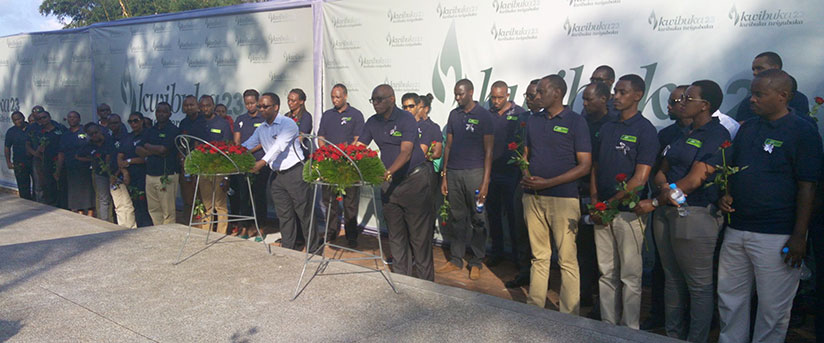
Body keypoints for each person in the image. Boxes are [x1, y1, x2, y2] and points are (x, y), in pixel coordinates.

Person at [717, 69, 823, 343]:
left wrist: (799, 236)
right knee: (731, 301)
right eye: (752, 93)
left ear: (783, 96)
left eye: (759, 94)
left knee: (772, 310)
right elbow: (733, 170)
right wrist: (726, 194)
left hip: (777, 235)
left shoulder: (803, 131)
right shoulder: (748, 127)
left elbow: (808, 186)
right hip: (737, 228)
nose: (752, 100)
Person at [636, 80, 730, 342]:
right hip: (668, 211)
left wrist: (658, 200)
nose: (682, 102)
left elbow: (695, 179)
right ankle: (673, 335)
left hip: (696, 214)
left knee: (699, 286)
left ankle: (696, 338)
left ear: (705, 106)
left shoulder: (716, 135)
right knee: (672, 278)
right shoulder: (680, 134)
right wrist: (667, 190)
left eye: (689, 98)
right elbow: (662, 170)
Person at [590, 74, 659, 329]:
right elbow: (595, 167)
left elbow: (640, 179)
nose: (615, 97)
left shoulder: (646, 130)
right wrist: (596, 201)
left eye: (622, 92)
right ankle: (607, 326)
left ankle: (630, 330)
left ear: (638, 95)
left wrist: (609, 205)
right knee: (606, 272)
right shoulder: (607, 127)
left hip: (628, 214)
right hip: (602, 211)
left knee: (630, 276)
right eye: (615, 92)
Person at [522, 74, 591, 314]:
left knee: (567, 260)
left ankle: (569, 315)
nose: (537, 96)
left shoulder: (576, 122)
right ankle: (535, 309)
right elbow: (525, 155)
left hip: (564, 198)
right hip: (532, 197)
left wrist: (548, 183)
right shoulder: (533, 121)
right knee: (539, 256)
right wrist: (526, 174)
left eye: (541, 92)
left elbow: (585, 165)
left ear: (558, 93)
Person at [358, 84, 435, 280]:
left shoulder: (406, 119)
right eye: (373, 100)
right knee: (396, 237)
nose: (375, 104)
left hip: (414, 182)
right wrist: (338, 162)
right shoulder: (372, 122)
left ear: (392, 99)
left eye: (379, 99)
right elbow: (358, 147)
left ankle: (429, 289)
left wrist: (387, 172)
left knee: (419, 240)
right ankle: (403, 282)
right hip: (390, 185)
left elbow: (406, 152)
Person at [640, 84, 690, 331]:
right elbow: (655, 169)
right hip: (662, 207)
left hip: (693, 212)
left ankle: (692, 321)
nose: (669, 107)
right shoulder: (666, 135)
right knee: (662, 267)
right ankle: (658, 315)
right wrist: (662, 192)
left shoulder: (708, 133)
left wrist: (675, 193)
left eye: (675, 101)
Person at [243, 92, 319, 252]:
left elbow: (279, 146)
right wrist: (230, 152)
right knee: (284, 216)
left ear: (276, 107)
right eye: (260, 106)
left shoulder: (288, 124)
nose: (261, 109)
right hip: (277, 177)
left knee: (305, 214)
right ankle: (288, 249)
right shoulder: (262, 128)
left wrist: (262, 162)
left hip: (295, 173)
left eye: (265, 106)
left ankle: (314, 251)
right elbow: (248, 144)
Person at [436, 79, 494, 280]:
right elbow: (448, 147)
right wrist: (444, 175)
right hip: (453, 173)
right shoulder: (454, 115)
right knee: (457, 217)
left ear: (471, 92)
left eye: (461, 94)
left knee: (478, 218)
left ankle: (476, 261)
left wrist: (485, 182)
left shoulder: (484, 116)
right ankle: (456, 259)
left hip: (476, 174)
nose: (457, 98)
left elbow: (488, 151)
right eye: (455, 94)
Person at [578, 81, 616, 312]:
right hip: (581, 191)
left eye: (589, 100)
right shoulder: (580, 122)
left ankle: (602, 302)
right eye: (583, 100)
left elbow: (600, 164)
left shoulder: (612, 126)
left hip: (603, 195)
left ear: (604, 99)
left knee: (603, 254)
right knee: (582, 246)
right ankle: (583, 293)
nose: (584, 104)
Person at [483, 80, 526, 268]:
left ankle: (518, 258)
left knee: (513, 217)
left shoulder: (519, 114)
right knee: (493, 215)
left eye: (500, 97)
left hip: (512, 173)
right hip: (491, 173)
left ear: (507, 95)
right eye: (493, 97)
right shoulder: (487, 115)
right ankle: (497, 252)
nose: (496, 101)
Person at [317, 84, 364, 247]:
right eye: (332, 97)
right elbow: (321, 136)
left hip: (348, 165)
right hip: (330, 164)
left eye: (337, 97)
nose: (334, 100)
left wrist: (345, 155)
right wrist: (325, 154)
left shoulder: (356, 115)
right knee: (329, 201)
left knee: (350, 202)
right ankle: (331, 232)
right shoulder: (327, 115)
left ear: (345, 96)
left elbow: (359, 139)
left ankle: (351, 235)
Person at [505, 78, 540, 289]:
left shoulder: (561, 121)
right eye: (525, 95)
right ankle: (524, 271)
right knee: (521, 228)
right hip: (522, 180)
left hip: (549, 184)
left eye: (530, 95)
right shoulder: (522, 118)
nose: (526, 100)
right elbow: (517, 147)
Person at [735, 52, 813, 126]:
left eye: (759, 68)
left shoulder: (798, 99)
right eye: (753, 69)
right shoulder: (748, 103)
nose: (755, 73)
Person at [232, 89, 268, 237]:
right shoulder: (241, 119)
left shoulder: (264, 119)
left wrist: (249, 151)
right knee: (244, 196)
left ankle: (259, 228)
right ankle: (245, 226)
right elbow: (237, 140)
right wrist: (241, 152)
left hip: (260, 161)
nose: (250, 106)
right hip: (243, 162)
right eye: (247, 103)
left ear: (258, 102)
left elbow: (263, 140)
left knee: (258, 196)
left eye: (252, 103)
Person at [138, 102, 180, 225]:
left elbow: (163, 150)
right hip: (150, 174)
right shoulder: (150, 130)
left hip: (166, 175)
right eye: (158, 111)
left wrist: (147, 147)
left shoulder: (173, 130)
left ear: (170, 114)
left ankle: (168, 238)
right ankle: (159, 235)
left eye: (164, 111)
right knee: (153, 209)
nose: (161, 114)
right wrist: (152, 149)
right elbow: (139, 149)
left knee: (168, 212)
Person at [197, 95, 233, 234]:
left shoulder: (222, 123)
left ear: (213, 106)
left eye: (208, 105)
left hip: (219, 169)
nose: (205, 108)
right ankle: (206, 232)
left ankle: (220, 234)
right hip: (203, 169)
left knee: (220, 205)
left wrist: (226, 175)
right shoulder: (198, 123)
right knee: (207, 205)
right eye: (203, 106)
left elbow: (229, 148)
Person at [76, 123, 117, 223]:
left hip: (115, 173)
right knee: (104, 199)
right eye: (91, 134)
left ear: (100, 131)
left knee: (117, 200)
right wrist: (91, 160)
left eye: (95, 132)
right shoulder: (89, 145)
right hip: (99, 174)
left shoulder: (109, 140)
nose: (94, 135)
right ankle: (105, 222)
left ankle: (116, 221)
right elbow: (78, 156)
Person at [117, 112, 152, 227]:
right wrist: (125, 172)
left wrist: (129, 161)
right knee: (134, 204)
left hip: (144, 175)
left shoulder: (147, 135)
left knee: (145, 205)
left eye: (135, 120)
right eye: (130, 121)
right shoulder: (128, 137)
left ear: (142, 121)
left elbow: (146, 158)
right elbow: (120, 156)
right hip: (131, 177)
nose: (133, 124)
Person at [57, 111, 94, 216]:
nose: (72, 119)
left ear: (79, 119)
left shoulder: (86, 132)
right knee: (74, 192)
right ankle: (79, 213)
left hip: (86, 168)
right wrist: (58, 170)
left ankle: (91, 214)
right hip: (71, 168)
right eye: (70, 117)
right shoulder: (65, 134)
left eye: (74, 117)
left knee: (88, 192)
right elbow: (61, 153)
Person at [178, 95, 207, 225]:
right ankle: (188, 223)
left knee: (202, 197)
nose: (189, 107)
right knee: (187, 197)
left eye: (191, 105)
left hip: (202, 165)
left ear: (198, 107)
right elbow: (180, 143)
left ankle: (202, 225)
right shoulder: (183, 123)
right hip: (186, 165)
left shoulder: (204, 121)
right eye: (186, 105)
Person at [26, 110, 64, 207]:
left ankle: (60, 206)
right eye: (39, 119)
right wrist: (35, 152)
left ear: (49, 117)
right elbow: (27, 144)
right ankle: (42, 207)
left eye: (44, 117)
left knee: (58, 185)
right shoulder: (35, 130)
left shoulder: (60, 128)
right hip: (41, 161)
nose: (42, 120)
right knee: (41, 185)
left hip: (57, 161)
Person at [5, 111, 34, 200]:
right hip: (19, 162)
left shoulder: (32, 128)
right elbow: (7, 147)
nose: (18, 121)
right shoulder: (11, 131)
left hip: (34, 161)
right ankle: (27, 204)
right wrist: (9, 162)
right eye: (15, 120)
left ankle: (39, 205)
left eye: (19, 119)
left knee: (38, 185)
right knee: (23, 186)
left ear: (23, 118)